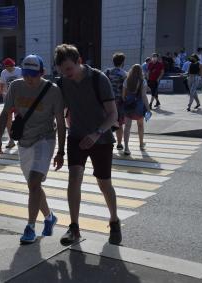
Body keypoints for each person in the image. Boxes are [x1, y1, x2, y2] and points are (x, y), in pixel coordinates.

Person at [54, 44, 122, 246]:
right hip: (76, 137)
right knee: (74, 178)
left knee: (104, 183)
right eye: (62, 71)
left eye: (69, 69)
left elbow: (113, 115)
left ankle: (114, 220)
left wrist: (96, 133)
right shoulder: (63, 82)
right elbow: (59, 113)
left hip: (101, 139)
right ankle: (74, 227)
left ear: (79, 61)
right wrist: (59, 150)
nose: (67, 74)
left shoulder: (98, 79)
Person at [0, 54, 66, 244]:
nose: (28, 78)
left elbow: (60, 122)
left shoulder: (53, 91)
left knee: (34, 183)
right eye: (26, 74)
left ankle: (30, 227)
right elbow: (5, 113)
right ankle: (50, 217)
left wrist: (60, 151)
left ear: (42, 73)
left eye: (33, 75)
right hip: (24, 142)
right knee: (34, 186)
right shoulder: (16, 86)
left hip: (45, 139)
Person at [122, 64, 151, 156]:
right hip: (139, 105)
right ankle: (141, 144)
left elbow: (123, 95)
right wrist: (148, 108)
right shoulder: (143, 81)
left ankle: (126, 148)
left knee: (127, 127)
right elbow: (143, 96)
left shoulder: (127, 80)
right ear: (140, 72)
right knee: (140, 125)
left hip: (128, 105)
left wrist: (127, 100)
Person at [0, 57, 23, 149]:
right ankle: (11, 140)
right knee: (8, 120)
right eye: (6, 66)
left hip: (19, 100)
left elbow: (24, 83)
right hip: (8, 100)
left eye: (10, 67)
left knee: (19, 119)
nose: (8, 68)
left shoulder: (19, 71)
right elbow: (1, 84)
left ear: (13, 65)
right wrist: (2, 93)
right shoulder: (4, 72)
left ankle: (20, 139)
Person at [105, 53, 127, 151]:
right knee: (119, 123)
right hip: (119, 102)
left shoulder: (107, 72)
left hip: (107, 101)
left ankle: (107, 141)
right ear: (122, 62)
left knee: (108, 122)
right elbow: (125, 89)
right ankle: (119, 143)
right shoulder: (124, 74)